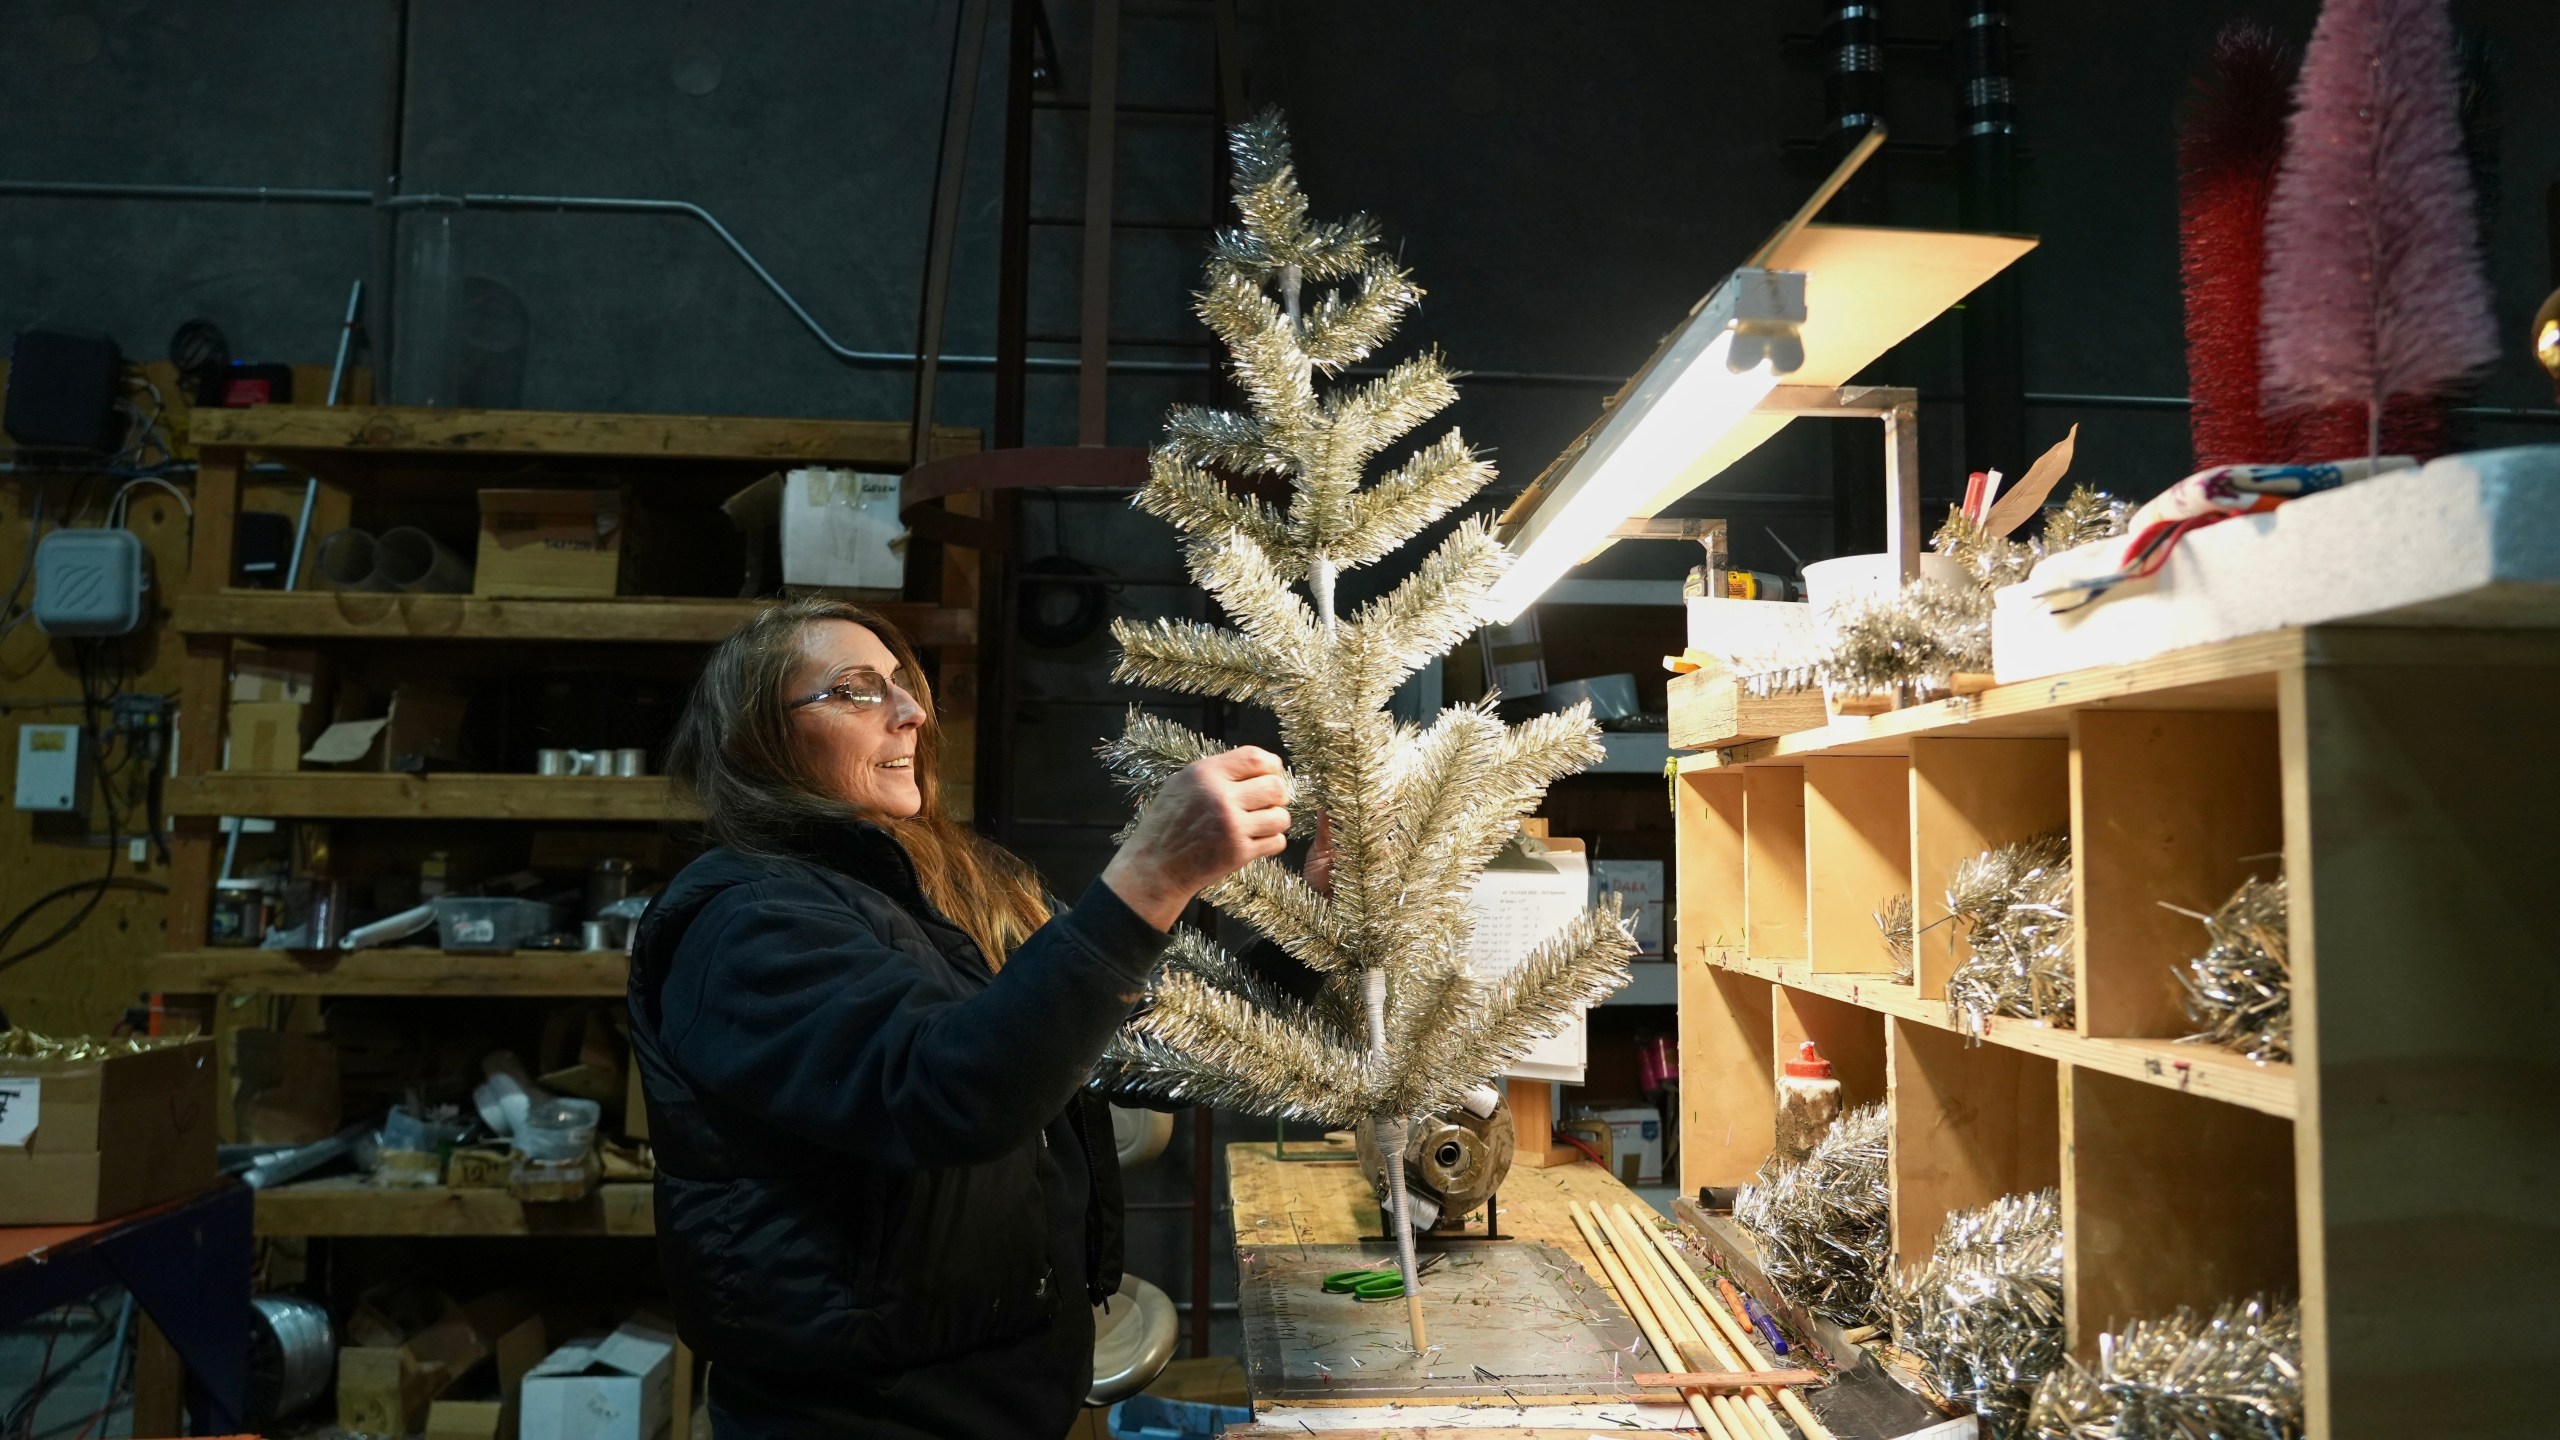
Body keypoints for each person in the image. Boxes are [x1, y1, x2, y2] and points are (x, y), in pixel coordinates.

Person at [628, 596, 1291, 1439]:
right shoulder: (746, 923)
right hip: (867, 1420)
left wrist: (1311, 936)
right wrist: (1151, 876)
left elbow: (1120, 1041)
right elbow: (945, 1092)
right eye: (857, 690)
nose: (909, 715)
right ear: (756, 738)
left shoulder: (941, 884)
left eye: (905, 688)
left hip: (1002, 1392)